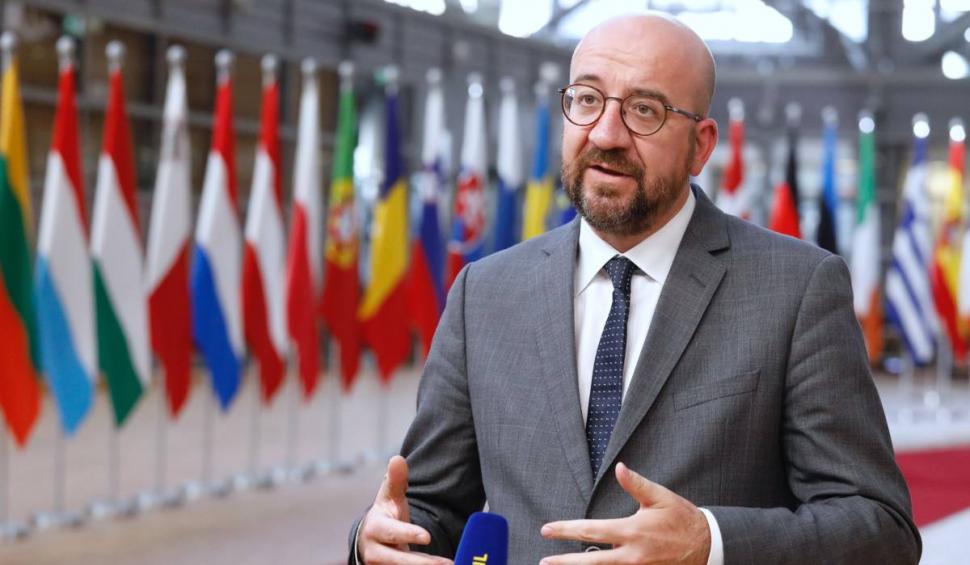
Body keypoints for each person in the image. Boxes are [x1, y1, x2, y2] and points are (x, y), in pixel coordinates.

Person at [350, 12, 920, 564]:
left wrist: (710, 544)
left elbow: (881, 530)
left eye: (644, 110)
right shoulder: (485, 292)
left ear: (701, 145)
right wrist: (372, 542)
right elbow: (427, 509)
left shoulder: (796, 290)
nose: (606, 133)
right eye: (587, 99)